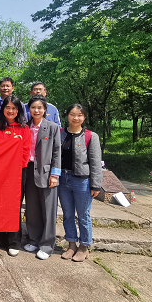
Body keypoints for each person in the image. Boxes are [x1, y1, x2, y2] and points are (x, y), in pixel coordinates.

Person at [0, 95, 31, 256]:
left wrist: (15, 149)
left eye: (14, 108)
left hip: (17, 172)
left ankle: (14, 241)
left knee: (13, 206)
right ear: (2, 109)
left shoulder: (24, 129)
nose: (11, 111)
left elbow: (25, 153)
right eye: (8, 108)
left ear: (19, 111)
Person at [58, 104, 102, 262]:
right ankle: (71, 244)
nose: (75, 118)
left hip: (82, 181)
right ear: (67, 116)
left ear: (84, 117)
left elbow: (95, 162)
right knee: (68, 214)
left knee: (83, 215)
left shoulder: (90, 136)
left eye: (79, 115)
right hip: (63, 179)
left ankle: (84, 246)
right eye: (72, 114)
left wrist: (96, 184)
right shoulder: (60, 133)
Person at [23, 94, 62, 260]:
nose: (36, 110)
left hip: (46, 172)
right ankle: (33, 239)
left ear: (45, 110)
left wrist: (55, 174)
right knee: (32, 209)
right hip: (29, 170)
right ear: (29, 110)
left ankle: (46, 245)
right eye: (33, 107)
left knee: (48, 210)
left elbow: (57, 151)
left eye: (39, 107)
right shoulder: (25, 126)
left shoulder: (52, 127)